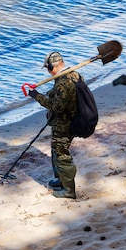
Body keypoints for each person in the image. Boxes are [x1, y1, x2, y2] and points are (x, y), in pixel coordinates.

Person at [28, 51, 79, 199]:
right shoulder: (72, 75)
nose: (48, 72)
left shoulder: (64, 81)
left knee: (62, 156)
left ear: (53, 66)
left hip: (65, 124)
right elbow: (60, 94)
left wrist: (36, 96)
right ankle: (61, 180)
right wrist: (49, 92)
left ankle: (69, 190)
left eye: (48, 68)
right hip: (63, 122)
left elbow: (56, 106)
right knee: (56, 152)